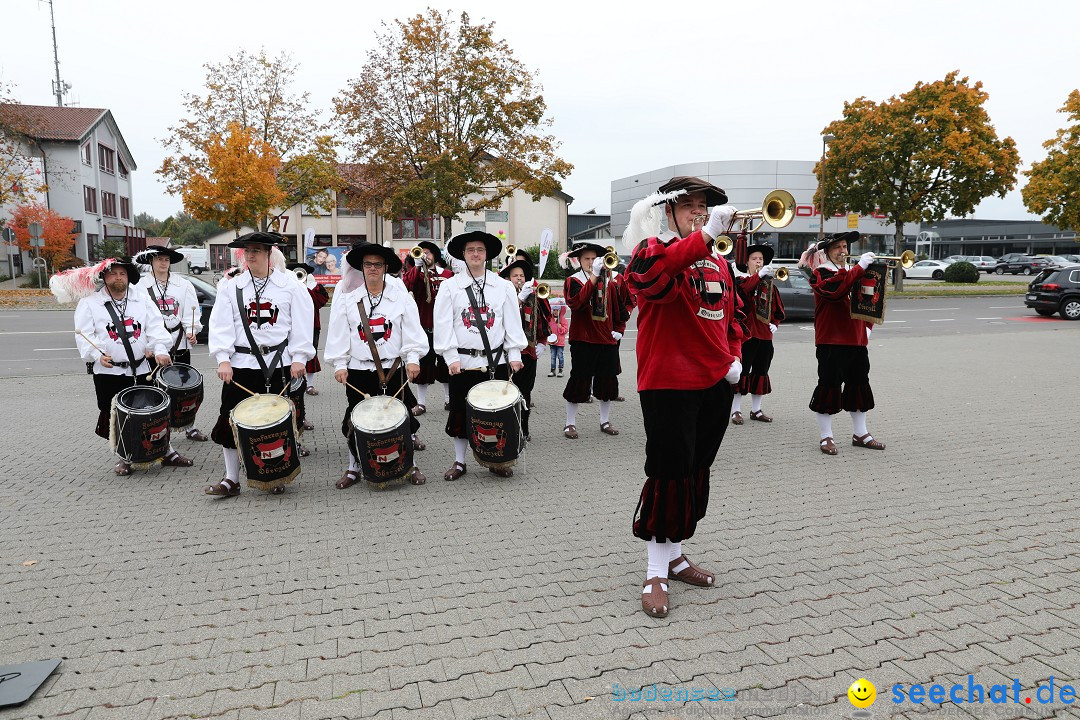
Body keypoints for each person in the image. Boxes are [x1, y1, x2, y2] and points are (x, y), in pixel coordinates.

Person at [623, 176, 745, 618]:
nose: (700, 212)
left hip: (714, 381)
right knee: (669, 472)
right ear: (667, 210)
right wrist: (707, 235)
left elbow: (731, 316)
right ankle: (655, 569)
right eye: (691, 206)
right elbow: (653, 281)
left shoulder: (715, 261)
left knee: (695, 470)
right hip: (668, 381)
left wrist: (734, 356)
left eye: (704, 207)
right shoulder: (650, 250)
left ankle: (675, 555)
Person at [204, 232, 315, 497]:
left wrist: (299, 358)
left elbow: (302, 323)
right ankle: (231, 479)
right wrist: (223, 358)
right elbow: (220, 325)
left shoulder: (290, 286)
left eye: (255, 251)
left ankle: (275, 474)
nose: (249, 255)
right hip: (241, 364)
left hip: (278, 363)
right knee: (229, 420)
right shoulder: (232, 287)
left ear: (268, 254)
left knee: (275, 423)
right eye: (246, 251)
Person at [64, 257, 193, 475]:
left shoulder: (141, 299)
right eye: (113, 273)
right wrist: (96, 355)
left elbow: (155, 327)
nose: (118, 277)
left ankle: (167, 452)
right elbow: (84, 334)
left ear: (128, 277)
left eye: (122, 274)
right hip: (109, 371)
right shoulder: (90, 303)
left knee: (154, 412)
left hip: (142, 368)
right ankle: (125, 457)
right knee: (117, 414)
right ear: (104, 277)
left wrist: (160, 350)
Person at [325, 242, 428, 488]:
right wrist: (340, 364)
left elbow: (412, 330)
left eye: (377, 264)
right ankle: (353, 467)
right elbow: (339, 333)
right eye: (368, 264)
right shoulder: (348, 299)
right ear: (361, 267)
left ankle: (409, 465)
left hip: (392, 368)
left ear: (385, 268)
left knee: (399, 418)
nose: (372, 268)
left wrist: (413, 359)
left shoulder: (399, 296)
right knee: (356, 417)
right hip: (359, 370)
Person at [433, 231, 527, 480]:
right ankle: (460, 461)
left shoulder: (503, 286)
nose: (476, 254)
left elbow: (511, 323)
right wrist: (450, 357)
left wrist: (515, 352)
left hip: (496, 362)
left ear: (487, 255)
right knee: (460, 413)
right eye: (470, 250)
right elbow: (443, 324)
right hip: (463, 363)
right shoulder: (449, 287)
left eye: (480, 250)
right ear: (463, 255)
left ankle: (497, 459)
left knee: (497, 415)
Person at [808, 231, 885, 455]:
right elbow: (836, 292)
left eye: (845, 247)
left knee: (859, 386)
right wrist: (859, 268)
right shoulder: (820, 274)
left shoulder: (853, 273)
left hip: (856, 341)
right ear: (827, 252)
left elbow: (867, 302)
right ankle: (826, 437)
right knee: (829, 387)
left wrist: (867, 328)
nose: (843, 251)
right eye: (837, 248)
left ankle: (860, 433)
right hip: (831, 340)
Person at [132, 246, 209, 441]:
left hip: (179, 343)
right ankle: (156, 429)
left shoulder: (182, 285)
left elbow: (191, 313)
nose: (163, 262)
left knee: (185, 390)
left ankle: (188, 427)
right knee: (154, 390)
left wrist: (192, 332)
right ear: (151, 261)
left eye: (166, 259)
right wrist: (149, 344)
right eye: (159, 259)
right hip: (152, 347)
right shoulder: (140, 286)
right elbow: (138, 318)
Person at [561, 242, 627, 439]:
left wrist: (619, 330)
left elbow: (618, 310)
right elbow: (577, 303)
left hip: (606, 340)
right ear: (579, 261)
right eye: (586, 259)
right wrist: (593, 276)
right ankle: (569, 423)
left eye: (593, 259)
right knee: (579, 380)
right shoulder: (573, 281)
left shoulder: (610, 282)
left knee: (607, 382)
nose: (590, 262)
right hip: (583, 339)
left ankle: (604, 421)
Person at [730, 242, 785, 425]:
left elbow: (777, 308)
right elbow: (744, 290)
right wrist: (759, 276)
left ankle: (756, 410)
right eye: (754, 259)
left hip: (765, 336)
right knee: (742, 372)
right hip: (748, 335)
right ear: (747, 262)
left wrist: (775, 323)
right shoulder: (741, 280)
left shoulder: (769, 284)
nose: (758, 262)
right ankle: (735, 410)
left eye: (760, 259)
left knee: (761, 372)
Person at [500, 257, 551, 442]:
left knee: (525, 393)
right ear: (508, 278)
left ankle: (524, 429)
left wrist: (542, 342)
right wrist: (518, 300)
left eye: (522, 276)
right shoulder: (503, 295)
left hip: (528, 353)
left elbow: (543, 318)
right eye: (515, 276)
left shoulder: (533, 295)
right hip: (507, 356)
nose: (519, 279)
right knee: (507, 394)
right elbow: (502, 319)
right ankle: (507, 430)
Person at [402, 240, 454, 415]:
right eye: (421, 252)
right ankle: (421, 403)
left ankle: (449, 399)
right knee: (424, 365)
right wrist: (417, 267)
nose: (425, 255)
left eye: (428, 252)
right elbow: (407, 285)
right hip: (424, 327)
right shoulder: (414, 273)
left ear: (434, 255)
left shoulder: (447, 274)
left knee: (448, 363)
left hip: (445, 328)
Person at [286, 263, 329, 398]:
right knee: (290, 356)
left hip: (312, 326)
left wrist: (309, 289)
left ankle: (309, 384)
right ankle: (292, 383)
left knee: (310, 355)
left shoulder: (315, 287)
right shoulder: (287, 286)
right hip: (290, 326)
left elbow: (321, 302)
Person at [548, 303, 568, 377]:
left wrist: (560, 327)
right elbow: (548, 328)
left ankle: (560, 370)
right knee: (553, 356)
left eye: (557, 310)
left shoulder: (563, 320)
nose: (555, 312)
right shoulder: (550, 319)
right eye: (554, 310)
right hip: (552, 342)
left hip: (560, 342)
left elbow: (565, 330)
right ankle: (552, 370)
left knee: (560, 356)